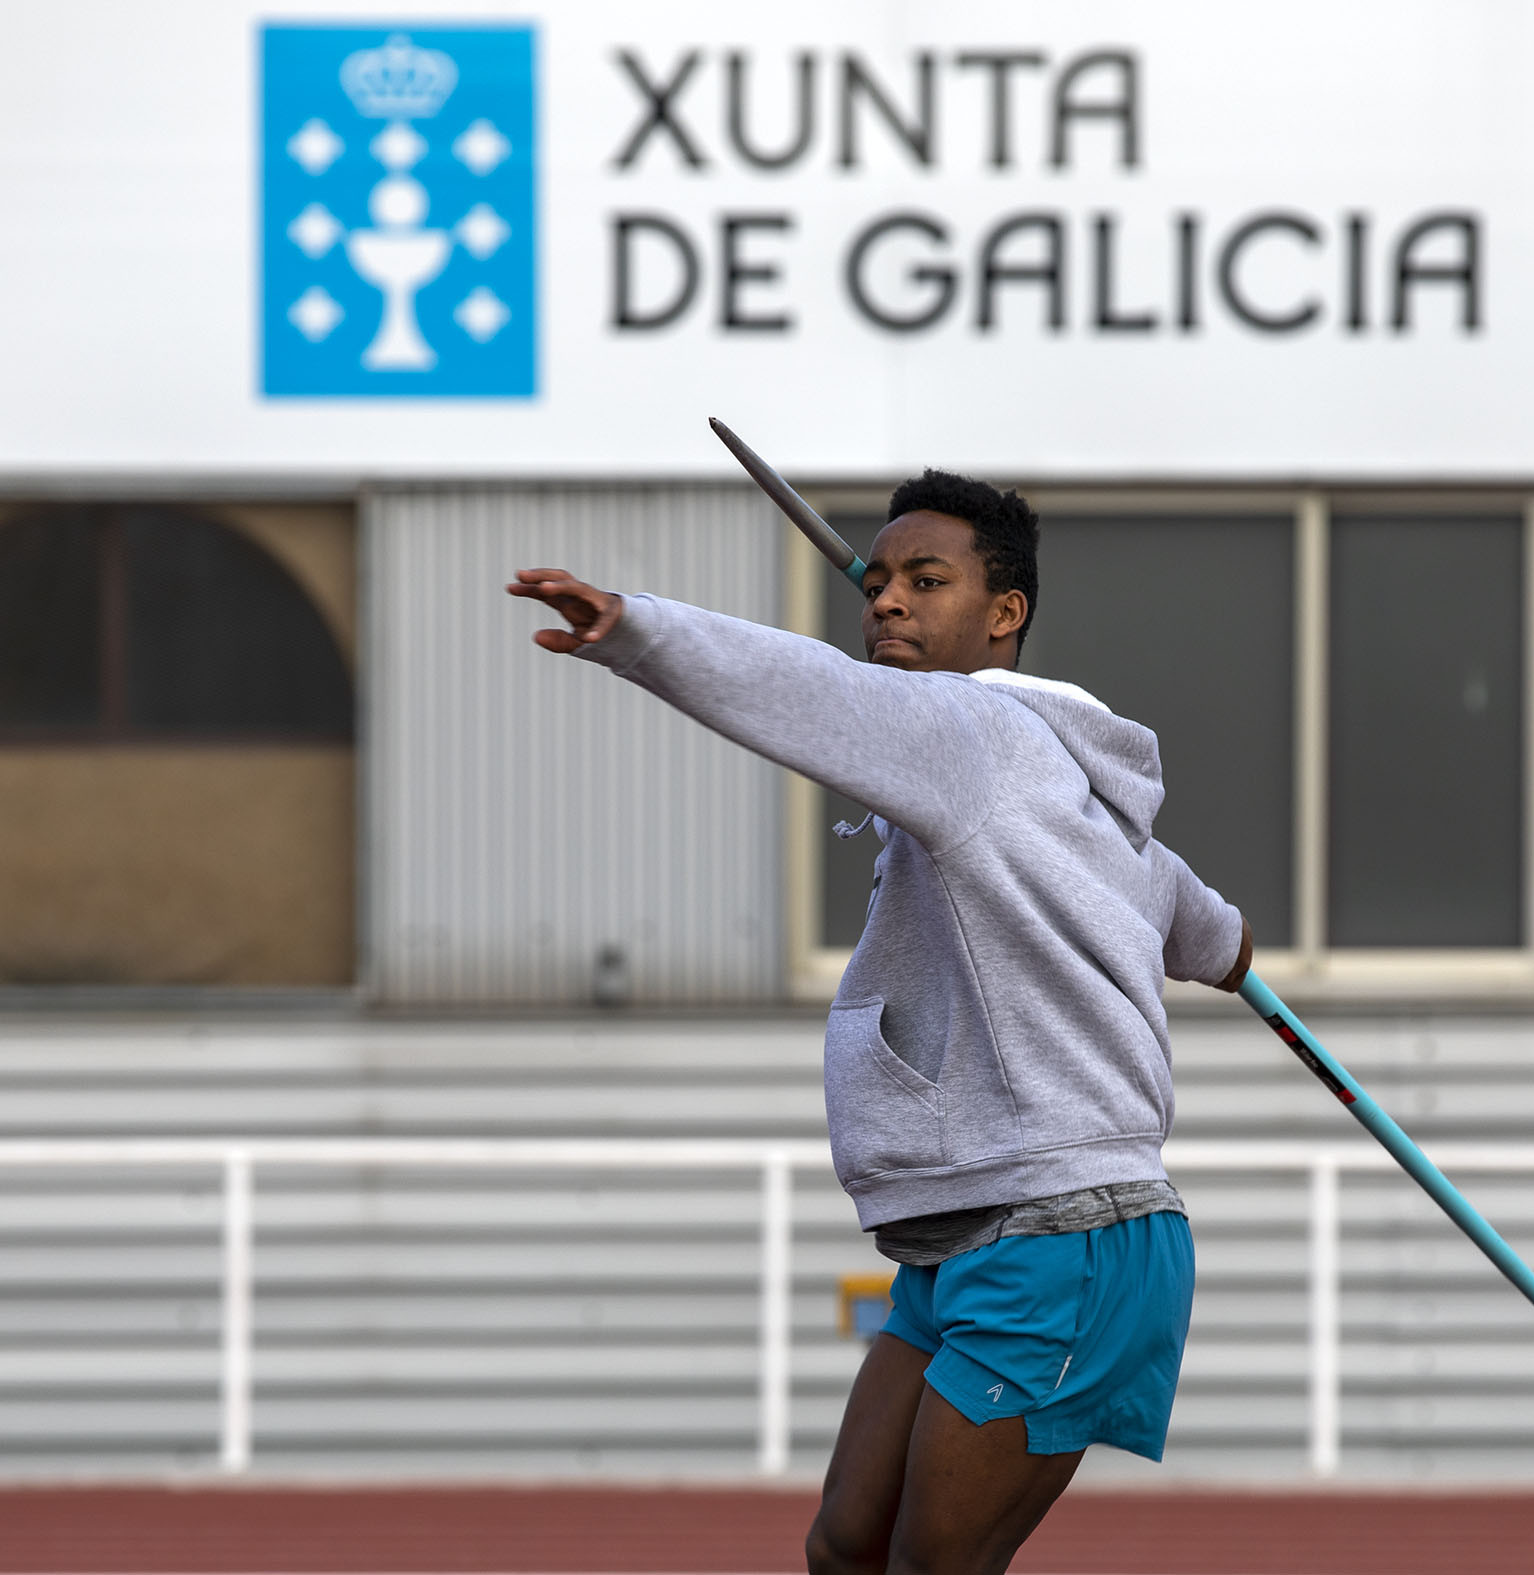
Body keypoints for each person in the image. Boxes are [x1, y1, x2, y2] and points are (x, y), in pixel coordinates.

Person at [507, 470, 1253, 1575]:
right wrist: (1235, 950)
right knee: (847, 1548)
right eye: (882, 579)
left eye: (926, 580)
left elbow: (807, 690)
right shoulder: (1068, 790)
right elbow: (1186, 913)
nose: (886, 602)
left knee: (928, 1569)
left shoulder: (967, 736)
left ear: (1005, 616)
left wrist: (641, 632)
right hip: (963, 1230)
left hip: (1066, 1230)